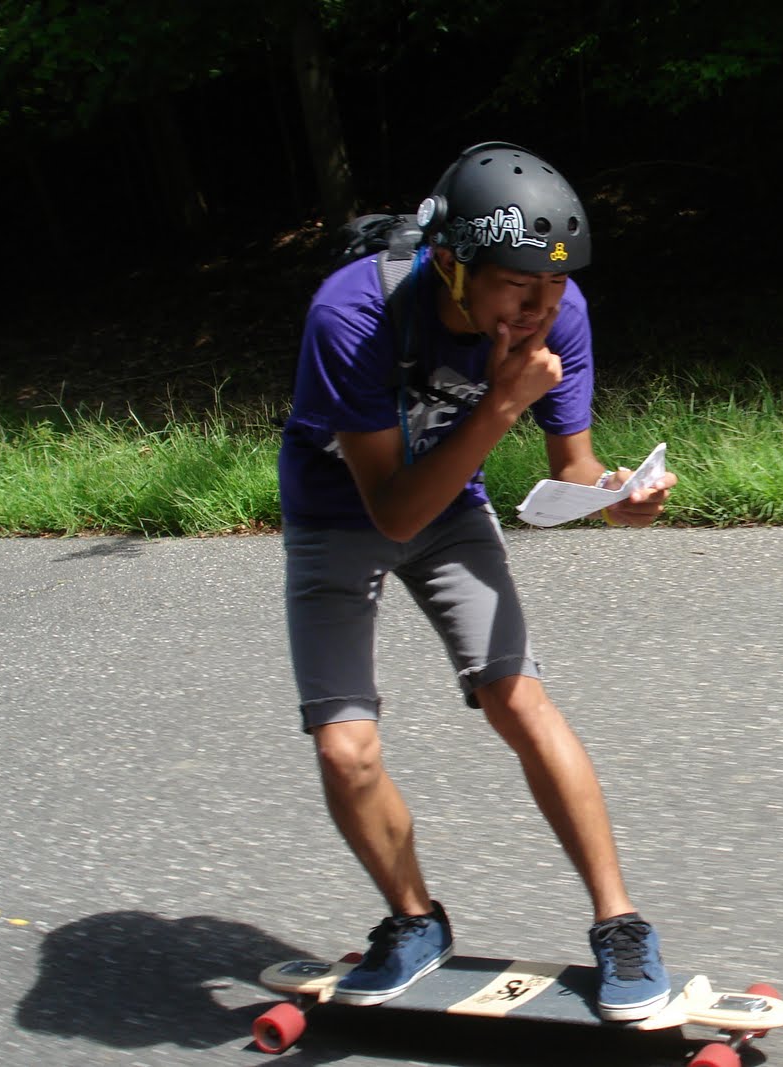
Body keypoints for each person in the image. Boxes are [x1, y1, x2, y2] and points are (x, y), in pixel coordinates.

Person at [277, 141, 677, 1020]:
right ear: (451, 265)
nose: (541, 310)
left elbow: (574, 463)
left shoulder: (558, 316)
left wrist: (616, 497)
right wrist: (499, 403)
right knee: (346, 748)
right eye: (518, 289)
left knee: (517, 696)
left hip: (448, 506)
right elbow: (388, 510)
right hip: (343, 513)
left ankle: (621, 924)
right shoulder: (352, 315)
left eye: (556, 288)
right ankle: (415, 919)